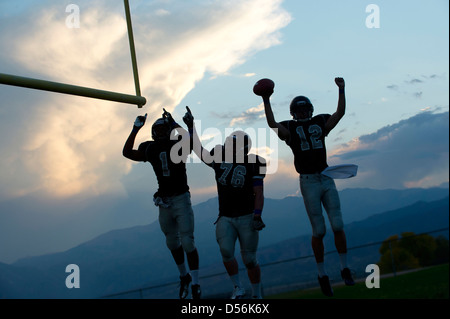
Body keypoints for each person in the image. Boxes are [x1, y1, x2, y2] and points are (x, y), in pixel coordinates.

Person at [260, 77, 354, 297]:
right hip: (309, 181)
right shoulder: (290, 128)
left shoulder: (320, 122)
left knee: (338, 224)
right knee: (319, 230)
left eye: (305, 110)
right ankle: (322, 274)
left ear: (310, 110)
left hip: (326, 176)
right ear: (293, 113)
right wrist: (266, 100)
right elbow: (273, 124)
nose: (302, 113)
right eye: (299, 111)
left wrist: (341, 90)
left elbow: (339, 114)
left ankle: (345, 268)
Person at [183, 107, 267, 299]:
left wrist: (257, 214)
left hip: (246, 215)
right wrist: (191, 127)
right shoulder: (219, 156)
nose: (229, 145)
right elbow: (199, 151)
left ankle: (257, 295)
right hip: (226, 216)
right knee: (226, 251)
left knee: (250, 259)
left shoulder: (254, 162)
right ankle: (238, 287)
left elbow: (258, 191)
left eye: (234, 144)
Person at [122, 110, 201, 299]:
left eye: (163, 128)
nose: (160, 132)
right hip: (164, 201)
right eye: (158, 129)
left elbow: (191, 142)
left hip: (181, 197)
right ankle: (184, 276)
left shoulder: (177, 145)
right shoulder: (150, 148)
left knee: (188, 242)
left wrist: (178, 124)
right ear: (153, 133)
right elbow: (126, 152)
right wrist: (135, 129)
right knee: (172, 242)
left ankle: (196, 283)